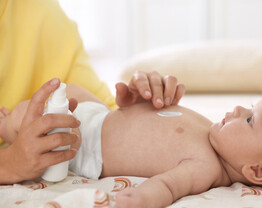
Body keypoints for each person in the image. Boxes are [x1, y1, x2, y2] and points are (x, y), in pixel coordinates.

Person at [0, 81, 262, 208]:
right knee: (71, 89)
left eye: (250, 120)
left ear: (258, 171)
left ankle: (6, 126)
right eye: (248, 107)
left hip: (83, 146)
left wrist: (142, 201)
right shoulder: (212, 131)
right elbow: (154, 120)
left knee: (32, 118)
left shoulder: (205, 167)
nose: (237, 109)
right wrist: (133, 104)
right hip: (101, 117)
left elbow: (168, 186)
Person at [0, 0, 185, 183]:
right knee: (23, 117)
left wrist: (133, 116)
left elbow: (96, 112)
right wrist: (9, 164)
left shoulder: (41, 11)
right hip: (27, 140)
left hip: (63, 138)